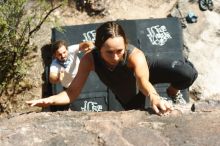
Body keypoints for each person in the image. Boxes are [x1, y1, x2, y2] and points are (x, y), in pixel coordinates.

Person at [26, 21, 198, 115]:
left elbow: (142, 80)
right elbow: (71, 93)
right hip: (126, 88)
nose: (115, 57)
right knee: (135, 117)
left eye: (119, 51)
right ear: (98, 48)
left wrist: (153, 95)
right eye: (109, 52)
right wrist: (50, 100)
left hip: (144, 71)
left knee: (187, 73)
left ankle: (172, 93)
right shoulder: (89, 60)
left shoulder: (134, 55)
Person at [49, 40, 94, 111]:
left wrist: (90, 46)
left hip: (82, 81)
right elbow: (52, 79)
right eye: (59, 54)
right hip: (70, 88)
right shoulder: (55, 64)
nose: (63, 56)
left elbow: (84, 44)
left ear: (67, 50)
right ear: (55, 55)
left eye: (64, 52)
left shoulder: (71, 50)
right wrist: (58, 77)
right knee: (69, 108)